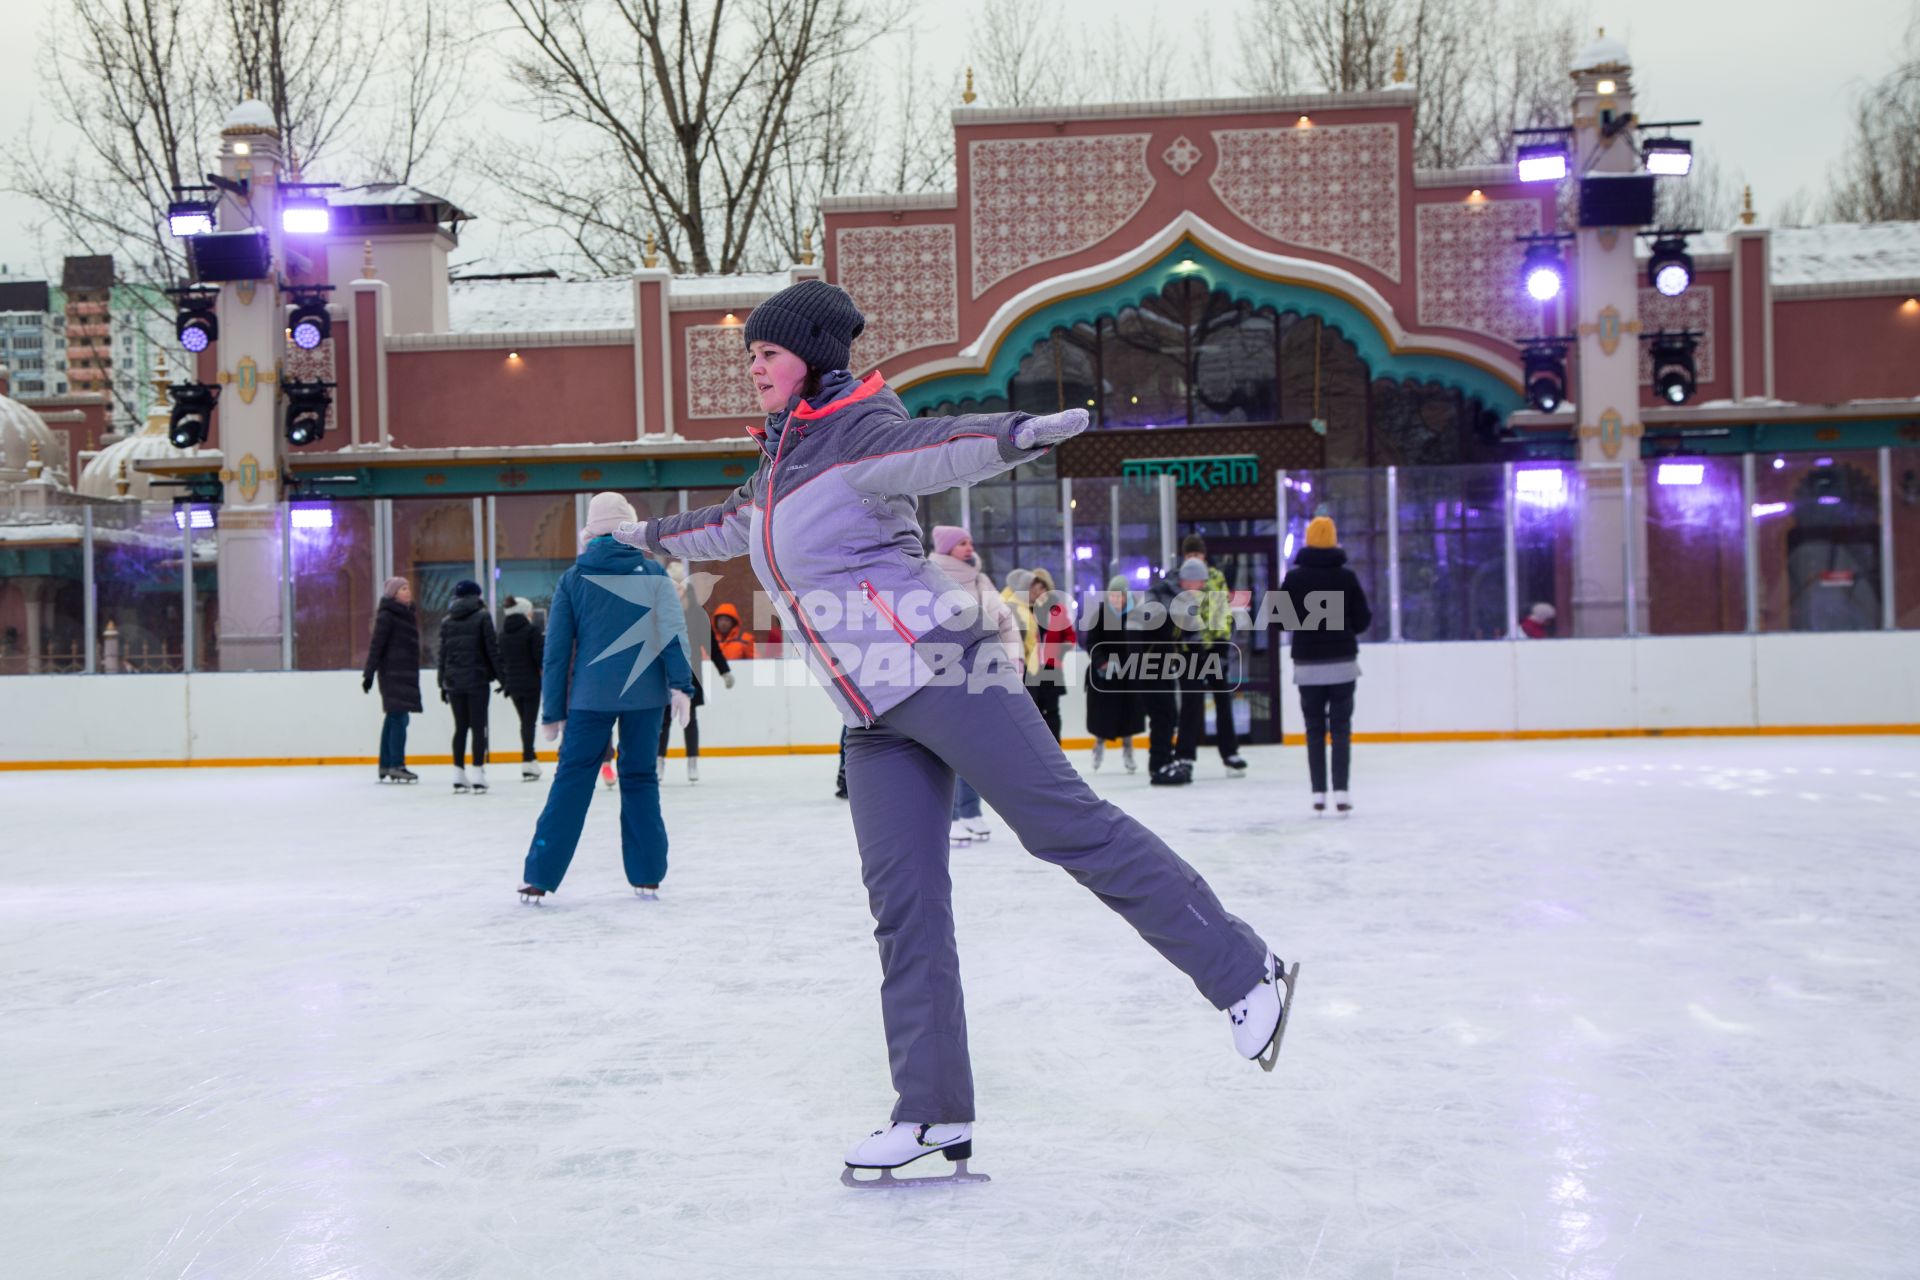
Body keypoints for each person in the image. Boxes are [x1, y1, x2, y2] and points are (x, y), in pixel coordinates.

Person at [612, 279, 1295, 1182]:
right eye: (749, 358)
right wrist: (646, 537)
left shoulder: (860, 436)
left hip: (942, 670)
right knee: (906, 912)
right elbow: (726, 527)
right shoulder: (779, 467)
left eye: (767, 354)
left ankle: (1245, 971)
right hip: (871, 717)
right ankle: (932, 1113)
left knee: (1067, 828)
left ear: (812, 355)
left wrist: (1016, 434)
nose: (754, 370)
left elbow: (940, 448)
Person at [519, 492, 695, 903]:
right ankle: (647, 875)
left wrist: (552, 712)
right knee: (639, 779)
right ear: (629, 528)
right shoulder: (653, 574)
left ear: (590, 533)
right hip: (645, 697)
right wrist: (680, 685)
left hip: (588, 699)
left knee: (571, 782)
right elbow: (673, 633)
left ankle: (539, 878)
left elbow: (557, 651)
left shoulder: (573, 578)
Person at [928, 524, 1023, 845]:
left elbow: (1005, 621)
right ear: (946, 549)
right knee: (950, 749)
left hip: (984, 671)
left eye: (970, 542)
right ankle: (950, 817)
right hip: (948, 674)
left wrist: (1014, 659)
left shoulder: (980, 579)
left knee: (977, 747)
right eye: (961, 543)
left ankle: (969, 811)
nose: (969, 548)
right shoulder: (932, 577)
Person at [1280, 516, 1372, 816]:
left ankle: (1318, 794)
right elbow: (1363, 620)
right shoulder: (1347, 578)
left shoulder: (1294, 579)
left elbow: (1280, 620)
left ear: (1308, 539)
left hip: (1307, 664)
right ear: (1333, 539)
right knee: (1341, 729)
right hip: (1342, 662)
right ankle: (1342, 793)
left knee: (1314, 730)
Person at [1173, 535, 1249, 777]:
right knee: (1191, 703)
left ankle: (1230, 753)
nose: (1194, 558)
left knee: (1223, 699)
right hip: (1188, 650)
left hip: (1214, 646)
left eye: (1197, 554)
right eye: (1189, 555)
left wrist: (1221, 643)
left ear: (1204, 556)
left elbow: (1222, 612)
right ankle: (1184, 755)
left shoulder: (1215, 578)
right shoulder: (1178, 579)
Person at [657, 559, 734, 784]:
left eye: (680, 587)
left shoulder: (696, 612)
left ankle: (692, 761)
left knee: (690, 719)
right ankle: (659, 761)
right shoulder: (660, 611)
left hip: (691, 672)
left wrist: (724, 671)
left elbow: (711, 644)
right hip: (665, 673)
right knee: (664, 720)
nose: (677, 592)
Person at [438, 579, 502, 794]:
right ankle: (477, 773)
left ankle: (458, 773)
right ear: (476, 595)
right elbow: (491, 650)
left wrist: (442, 683)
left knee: (461, 727)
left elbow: (443, 655)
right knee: (478, 727)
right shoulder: (483, 616)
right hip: (477, 680)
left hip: (454, 682)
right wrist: (502, 678)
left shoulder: (447, 621)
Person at [362, 576, 422, 783]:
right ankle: (396, 764)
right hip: (393, 673)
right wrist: (368, 673)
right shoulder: (387, 616)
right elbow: (376, 645)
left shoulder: (406, 614)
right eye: (403, 588)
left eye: (408, 587)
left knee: (394, 717)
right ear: (394, 593)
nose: (408, 591)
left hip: (403, 672)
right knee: (399, 718)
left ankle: (386, 764)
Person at [1081, 574, 1143, 773]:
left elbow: (1142, 643)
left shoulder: (1136, 615)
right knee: (1103, 717)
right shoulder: (1100, 614)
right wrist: (1102, 662)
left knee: (1128, 716)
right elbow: (1092, 643)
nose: (1116, 600)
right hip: (1105, 674)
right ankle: (1098, 746)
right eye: (1113, 596)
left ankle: (1128, 750)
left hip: (1128, 673)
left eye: (1120, 596)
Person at [1143, 562, 1196, 786]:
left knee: (1170, 713)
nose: (1202, 586)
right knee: (1162, 713)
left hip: (1164, 664)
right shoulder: (1161, 595)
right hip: (1148, 664)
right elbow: (1153, 627)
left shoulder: (1184, 599)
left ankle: (1165, 759)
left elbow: (1185, 634)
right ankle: (1158, 765)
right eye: (1199, 582)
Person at [1025, 567, 1075, 742]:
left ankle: (1055, 748)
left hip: (1051, 666)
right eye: (1034, 588)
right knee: (1034, 712)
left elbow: (1070, 635)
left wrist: (1062, 648)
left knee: (1052, 710)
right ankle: (1038, 750)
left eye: (1041, 587)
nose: (1038, 592)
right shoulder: (1023, 610)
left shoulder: (1056, 609)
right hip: (1030, 669)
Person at [499, 595, 546, 782]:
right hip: (531, 683)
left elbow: (500, 659)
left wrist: (505, 681)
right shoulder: (532, 631)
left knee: (524, 722)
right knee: (529, 723)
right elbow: (540, 657)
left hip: (513, 684)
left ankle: (530, 758)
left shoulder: (503, 633)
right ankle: (527, 759)